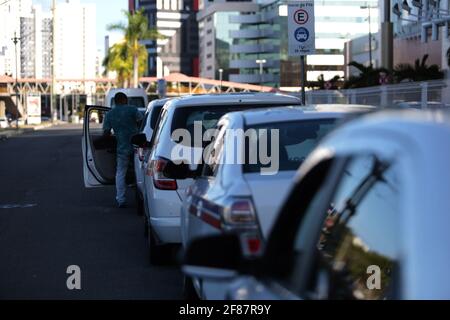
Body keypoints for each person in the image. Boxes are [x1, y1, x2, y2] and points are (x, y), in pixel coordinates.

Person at [103, 92, 143, 208]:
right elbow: (141, 123)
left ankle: (121, 199)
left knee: (120, 173)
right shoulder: (133, 110)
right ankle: (141, 195)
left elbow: (106, 132)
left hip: (122, 148)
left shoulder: (110, 114)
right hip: (137, 146)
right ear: (125, 100)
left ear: (115, 101)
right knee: (139, 172)